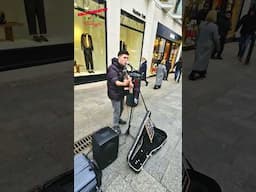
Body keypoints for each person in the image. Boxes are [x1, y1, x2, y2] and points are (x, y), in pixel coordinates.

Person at [107, 50, 133, 134]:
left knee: (121, 108)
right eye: (124, 57)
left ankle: (118, 119)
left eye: (127, 58)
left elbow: (126, 75)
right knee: (117, 110)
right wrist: (124, 83)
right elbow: (115, 81)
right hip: (114, 93)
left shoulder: (123, 67)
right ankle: (115, 126)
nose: (126, 60)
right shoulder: (112, 68)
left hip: (121, 92)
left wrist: (130, 82)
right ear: (119, 57)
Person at [189, 10, 220, 80]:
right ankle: (194, 73)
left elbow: (198, 34)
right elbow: (216, 38)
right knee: (204, 60)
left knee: (198, 59)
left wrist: (196, 42)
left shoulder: (202, 24)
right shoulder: (214, 26)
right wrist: (218, 47)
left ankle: (202, 72)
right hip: (208, 45)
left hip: (200, 44)